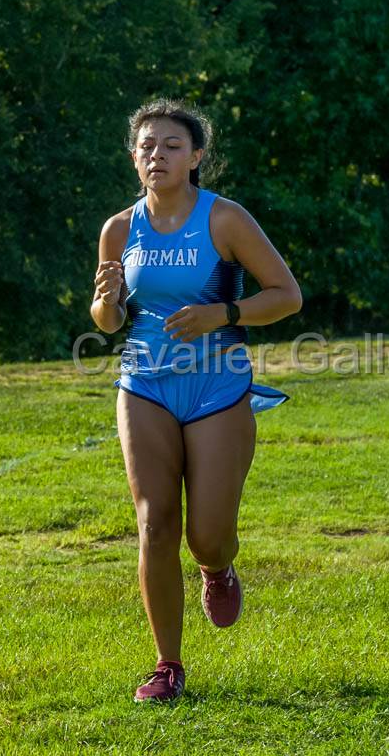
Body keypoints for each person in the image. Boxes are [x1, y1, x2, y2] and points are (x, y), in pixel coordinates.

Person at [91, 99, 302, 702]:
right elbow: (108, 321)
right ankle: (167, 665)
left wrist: (223, 313)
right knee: (155, 524)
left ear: (197, 157)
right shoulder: (118, 228)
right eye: (147, 145)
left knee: (206, 534)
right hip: (145, 382)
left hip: (217, 385)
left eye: (171, 145)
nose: (156, 154)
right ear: (134, 157)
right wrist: (105, 301)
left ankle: (216, 567)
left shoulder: (225, 220)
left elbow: (286, 295)